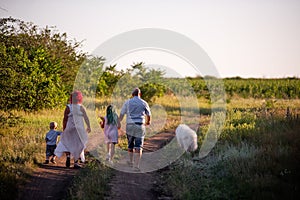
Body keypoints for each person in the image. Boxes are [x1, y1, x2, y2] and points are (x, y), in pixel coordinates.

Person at [55, 90, 91, 168]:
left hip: (69, 127)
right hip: (79, 129)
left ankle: (68, 157)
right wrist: (88, 126)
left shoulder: (68, 107)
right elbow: (86, 118)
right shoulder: (81, 107)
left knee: (68, 142)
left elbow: (65, 119)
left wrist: (64, 128)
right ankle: (75, 162)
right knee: (77, 145)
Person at [119, 88, 151, 170]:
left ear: (132, 95)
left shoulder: (127, 102)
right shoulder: (144, 103)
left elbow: (122, 115)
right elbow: (148, 115)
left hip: (130, 125)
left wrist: (118, 122)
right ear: (140, 94)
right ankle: (136, 166)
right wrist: (148, 122)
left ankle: (130, 162)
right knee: (138, 146)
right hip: (140, 125)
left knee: (130, 145)